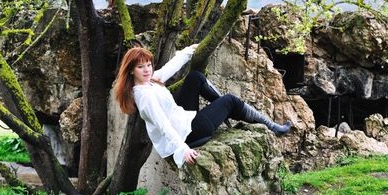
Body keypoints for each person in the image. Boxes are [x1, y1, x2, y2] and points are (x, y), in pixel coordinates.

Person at [114, 45, 291, 168]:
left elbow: (169, 68)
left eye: (148, 65)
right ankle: (272, 127)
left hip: (183, 120)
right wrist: (183, 150)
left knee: (195, 77)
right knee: (229, 100)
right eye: (140, 67)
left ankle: (229, 110)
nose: (147, 70)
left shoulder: (149, 81)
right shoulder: (145, 96)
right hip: (190, 134)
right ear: (131, 70)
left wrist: (188, 51)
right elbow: (163, 125)